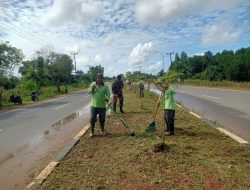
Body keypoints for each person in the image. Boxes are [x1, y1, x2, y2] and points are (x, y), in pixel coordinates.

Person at [88, 73, 110, 138]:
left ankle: (102, 130)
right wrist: (92, 88)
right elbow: (89, 92)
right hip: (93, 106)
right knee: (92, 119)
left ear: (103, 79)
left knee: (102, 119)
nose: (100, 79)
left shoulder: (105, 86)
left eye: (101, 78)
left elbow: (108, 94)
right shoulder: (93, 84)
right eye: (98, 78)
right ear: (96, 78)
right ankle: (92, 132)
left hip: (102, 106)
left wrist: (107, 98)